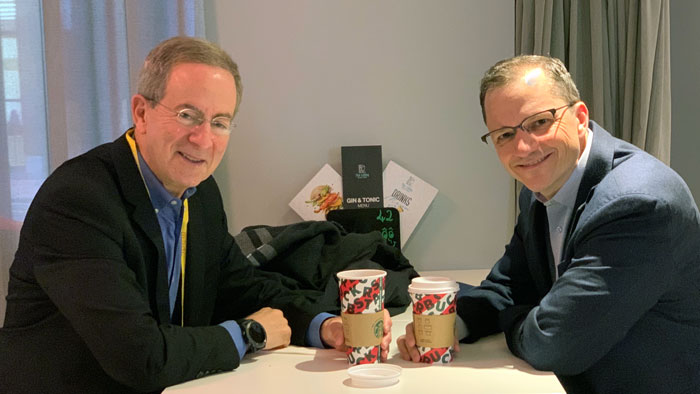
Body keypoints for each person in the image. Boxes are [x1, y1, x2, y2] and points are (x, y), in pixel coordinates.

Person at [0, 36, 391, 394]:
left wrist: (325, 325)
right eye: (187, 115)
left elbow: (239, 288)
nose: (203, 139)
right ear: (142, 112)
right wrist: (250, 333)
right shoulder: (78, 200)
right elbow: (140, 356)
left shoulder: (199, 194)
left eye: (220, 122)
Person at [398, 55, 700, 393]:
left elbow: (555, 344)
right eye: (504, 135)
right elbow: (510, 283)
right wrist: (452, 323)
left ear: (580, 117)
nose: (524, 147)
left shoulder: (639, 205)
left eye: (540, 122)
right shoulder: (539, 190)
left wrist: (515, 318)